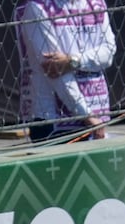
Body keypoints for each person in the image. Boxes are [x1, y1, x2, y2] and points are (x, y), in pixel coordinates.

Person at [15, 0, 115, 141]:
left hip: (97, 113)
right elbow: (54, 70)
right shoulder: (37, 7)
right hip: (54, 122)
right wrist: (86, 115)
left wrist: (73, 61)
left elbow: (109, 53)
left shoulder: (96, 3)